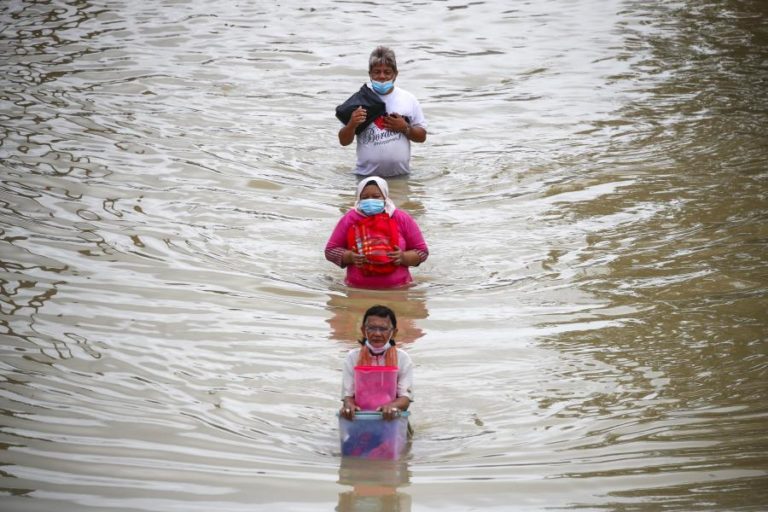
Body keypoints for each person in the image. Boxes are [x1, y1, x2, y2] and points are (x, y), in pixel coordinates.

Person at [337, 46, 428, 177]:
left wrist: (405, 128)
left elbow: (422, 137)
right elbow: (343, 141)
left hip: (401, 178)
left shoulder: (409, 99)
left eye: (387, 72)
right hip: (366, 178)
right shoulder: (359, 101)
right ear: (370, 74)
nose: (382, 76)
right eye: (377, 72)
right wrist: (352, 124)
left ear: (396, 74)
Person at [325, 176, 428, 289]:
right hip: (357, 290)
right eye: (365, 197)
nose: (370, 200)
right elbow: (331, 250)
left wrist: (403, 257)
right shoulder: (350, 219)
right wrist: (349, 257)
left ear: (385, 197)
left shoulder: (401, 218)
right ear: (359, 199)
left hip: (399, 289)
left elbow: (422, 251)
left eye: (376, 197)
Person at [339, 305, 413, 421]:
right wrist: (349, 407)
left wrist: (392, 407)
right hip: (360, 417)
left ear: (393, 333)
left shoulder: (403, 358)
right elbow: (347, 395)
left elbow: (405, 398)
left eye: (383, 329)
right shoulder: (352, 357)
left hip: (392, 419)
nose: (377, 334)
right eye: (372, 328)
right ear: (363, 331)